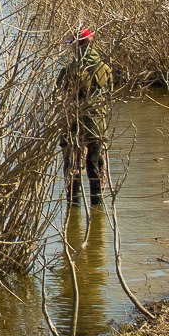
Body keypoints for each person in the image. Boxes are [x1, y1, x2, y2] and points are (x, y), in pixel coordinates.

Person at [57, 26, 113, 206]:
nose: (71, 48)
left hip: (73, 123)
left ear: (77, 46)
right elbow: (109, 96)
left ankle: (73, 210)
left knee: (72, 168)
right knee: (96, 166)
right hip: (97, 123)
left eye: (72, 44)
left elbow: (59, 96)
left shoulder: (68, 70)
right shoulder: (105, 68)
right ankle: (97, 211)